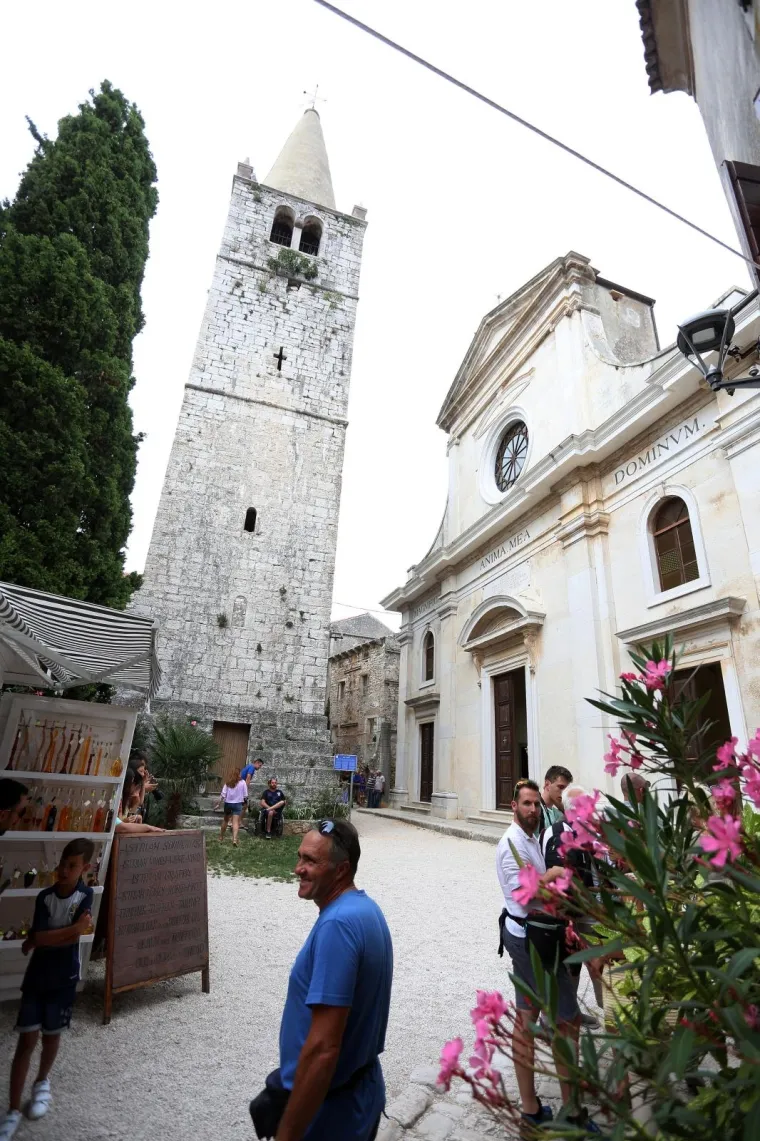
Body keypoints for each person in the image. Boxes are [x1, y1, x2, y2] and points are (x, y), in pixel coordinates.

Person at [251, 819, 392, 1140]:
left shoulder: (338, 926)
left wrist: (288, 1133)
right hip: (360, 1091)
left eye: (311, 861)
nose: (298, 868)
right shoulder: (366, 909)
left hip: (331, 1113)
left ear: (341, 871)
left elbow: (324, 1049)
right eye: (300, 857)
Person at [496, 778, 603, 1135]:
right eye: (524, 804)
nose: (531, 809)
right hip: (532, 940)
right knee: (559, 1022)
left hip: (540, 936)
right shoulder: (510, 844)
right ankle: (563, 1111)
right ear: (513, 806)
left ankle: (538, 1107)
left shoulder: (530, 838)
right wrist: (555, 875)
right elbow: (526, 897)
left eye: (533, 804)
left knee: (540, 1019)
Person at [1, 838, 95, 1140]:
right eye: (62, 864)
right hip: (38, 978)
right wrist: (71, 931)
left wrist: (49, 938)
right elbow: (42, 937)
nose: (64, 870)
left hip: (64, 978)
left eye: (72, 866)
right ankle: (13, 1109)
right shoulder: (44, 897)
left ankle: (42, 1081)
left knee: (52, 1035)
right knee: (26, 1040)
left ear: (85, 868)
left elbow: (49, 938)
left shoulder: (86, 895)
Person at [541, 784, 604, 1028]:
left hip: (587, 909)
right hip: (572, 912)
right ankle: (553, 1017)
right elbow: (557, 877)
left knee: (575, 963)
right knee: (571, 963)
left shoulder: (584, 831)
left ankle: (571, 1011)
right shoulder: (559, 833)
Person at [214, 768, 247, 845]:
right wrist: (245, 804)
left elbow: (223, 795)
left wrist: (218, 804)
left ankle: (221, 837)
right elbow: (245, 795)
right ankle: (234, 839)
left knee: (225, 820)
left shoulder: (228, 783)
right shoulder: (243, 782)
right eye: (240, 773)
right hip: (238, 804)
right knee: (235, 822)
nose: (241, 774)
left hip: (228, 804)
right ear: (238, 774)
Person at [130, 752, 163, 825]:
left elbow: (140, 802)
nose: (143, 773)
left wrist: (143, 786)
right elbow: (133, 801)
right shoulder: (127, 783)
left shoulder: (140, 781)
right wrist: (143, 787)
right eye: (141, 770)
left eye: (144, 768)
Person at [540, 765, 573, 831]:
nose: (564, 792)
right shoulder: (535, 809)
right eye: (560, 787)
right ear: (547, 784)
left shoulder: (558, 813)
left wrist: (563, 808)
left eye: (566, 789)